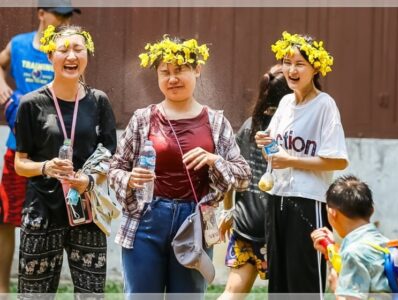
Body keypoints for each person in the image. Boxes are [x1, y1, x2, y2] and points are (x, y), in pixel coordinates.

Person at [109, 35, 251, 297]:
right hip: (146, 219)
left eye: (180, 70)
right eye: (165, 72)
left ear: (197, 70)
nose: (172, 78)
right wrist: (129, 179)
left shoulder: (216, 122)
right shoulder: (143, 118)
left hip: (194, 221)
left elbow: (244, 176)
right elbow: (114, 168)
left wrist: (214, 160)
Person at [14, 25, 116, 293]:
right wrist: (46, 167)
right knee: (34, 294)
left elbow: (110, 155)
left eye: (78, 49)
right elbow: (20, 164)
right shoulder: (31, 103)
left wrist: (89, 179)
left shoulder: (99, 101)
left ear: (87, 54)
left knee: (91, 294)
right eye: (63, 50)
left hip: (88, 212)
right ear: (50, 56)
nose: (71, 56)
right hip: (42, 213)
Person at [255, 31, 349, 296]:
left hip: (309, 202)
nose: (291, 69)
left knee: (304, 282)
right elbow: (273, 155)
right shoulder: (285, 103)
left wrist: (290, 159)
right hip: (277, 197)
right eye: (287, 62)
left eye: (299, 64)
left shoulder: (325, 105)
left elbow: (339, 160)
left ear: (315, 67)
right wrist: (267, 144)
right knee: (278, 282)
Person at [0, 1, 80, 293]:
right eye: (58, 14)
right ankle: (3, 290)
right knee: (7, 218)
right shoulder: (19, 44)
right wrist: (3, 88)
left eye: (68, 15)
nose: (63, 20)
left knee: (56, 220)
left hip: (57, 152)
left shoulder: (69, 50)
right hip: (18, 146)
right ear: (41, 13)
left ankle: (46, 283)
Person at [218, 65, 292, 300]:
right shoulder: (289, 127)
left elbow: (232, 174)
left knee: (233, 293)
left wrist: (228, 211)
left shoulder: (250, 125)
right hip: (280, 225)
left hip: (246, 223)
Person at [311, 175, 391, 299]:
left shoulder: (353, 253)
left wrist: (337, 288)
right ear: (372, 210)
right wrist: (330, 251)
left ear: (332, 214)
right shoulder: (386, 244)